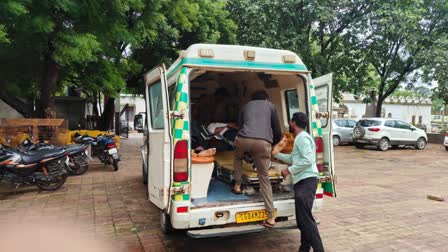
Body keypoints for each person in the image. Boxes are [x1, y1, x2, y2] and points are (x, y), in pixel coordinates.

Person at [272, 112, 324, 252]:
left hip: (307, 181)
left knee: (306, 220)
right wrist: (276, 154)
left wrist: (289, 170)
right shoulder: (300, 138)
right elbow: (294, 159)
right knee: (302, 219)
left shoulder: (302, 138)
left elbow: (308, 160)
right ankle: (304, 248)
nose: (289, 123)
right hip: (303, 181)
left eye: (290, 121)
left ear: (293, 123)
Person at [232, 89, 282, 228]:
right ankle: (271, 217)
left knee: (237, 158)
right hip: (263, 142)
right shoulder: (271, 106)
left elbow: (240, 125)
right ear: (266, 99)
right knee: (263, 176)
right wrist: (273, 144)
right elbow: (276, 129)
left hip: (243, 139)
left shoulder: (245, 105)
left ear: (252, 98)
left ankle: (237, 186)